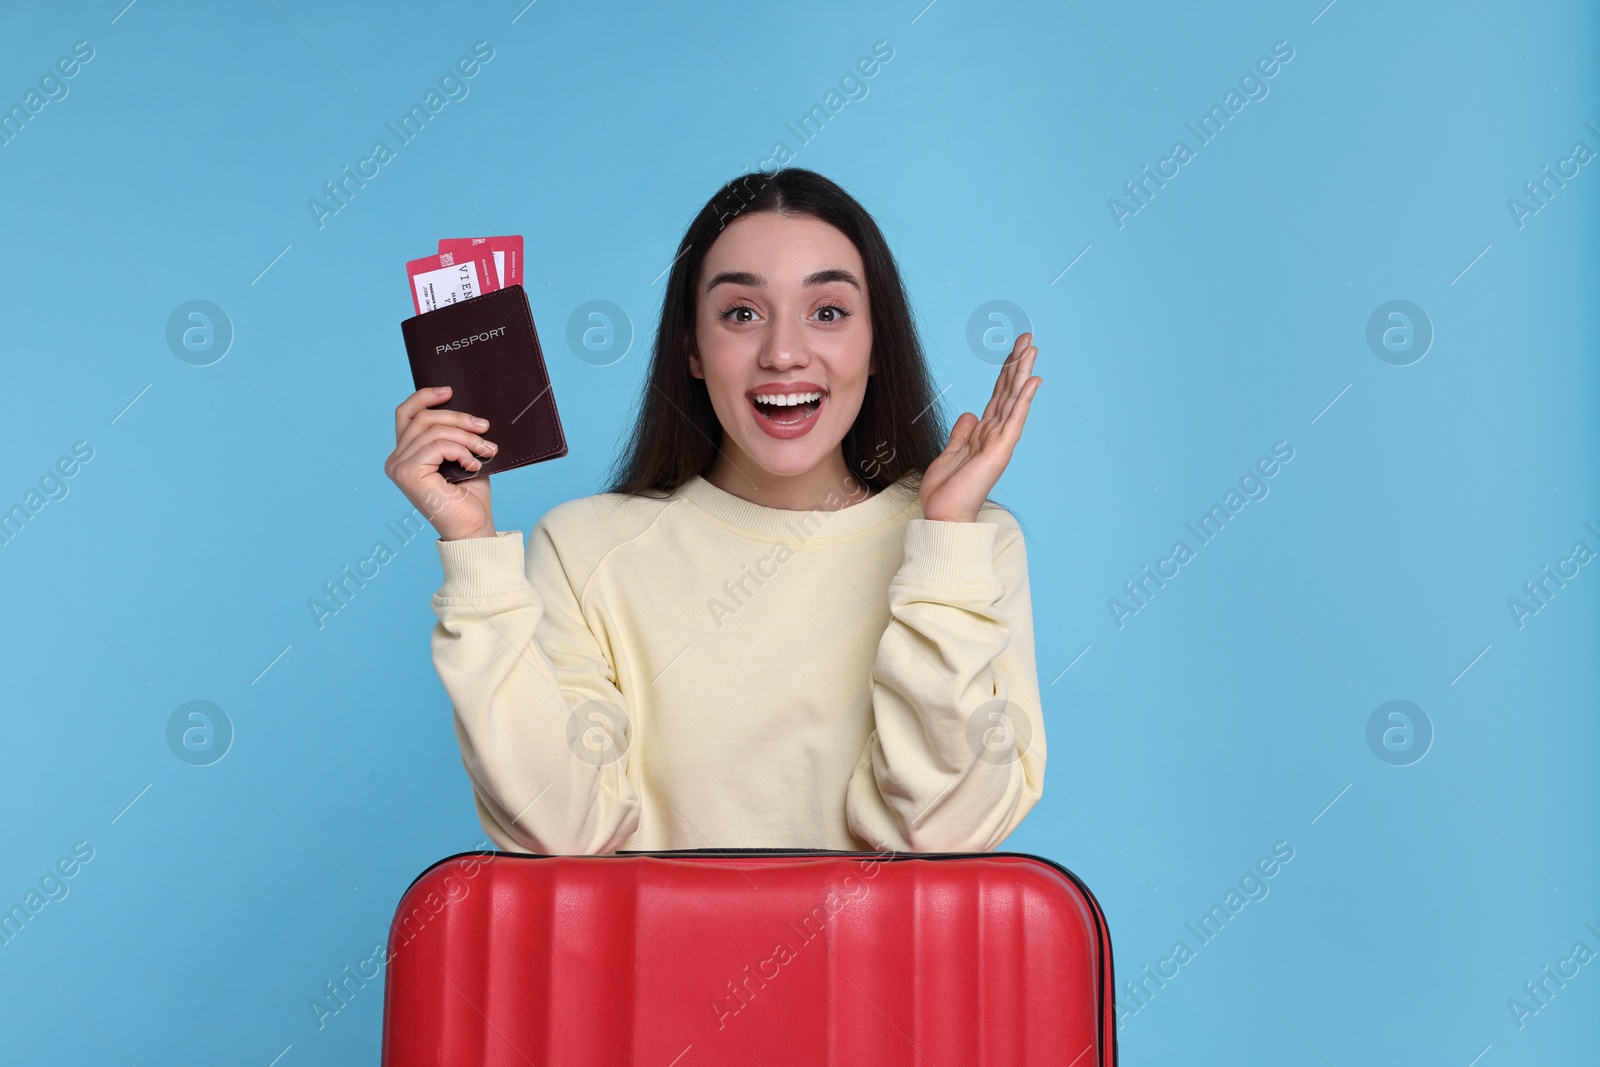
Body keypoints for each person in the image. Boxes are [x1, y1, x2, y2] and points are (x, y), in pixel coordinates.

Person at [383, 168, 1045, 855]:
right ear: (693, 350)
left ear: (876, 344)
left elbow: (945, 830)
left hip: (889, 967)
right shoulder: (582, 548)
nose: (784, 353)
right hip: (654, 966)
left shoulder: (972, 543)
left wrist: (942, 545)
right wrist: (473, 549)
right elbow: (564, 831)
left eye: (828, 312)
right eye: (742, 313)